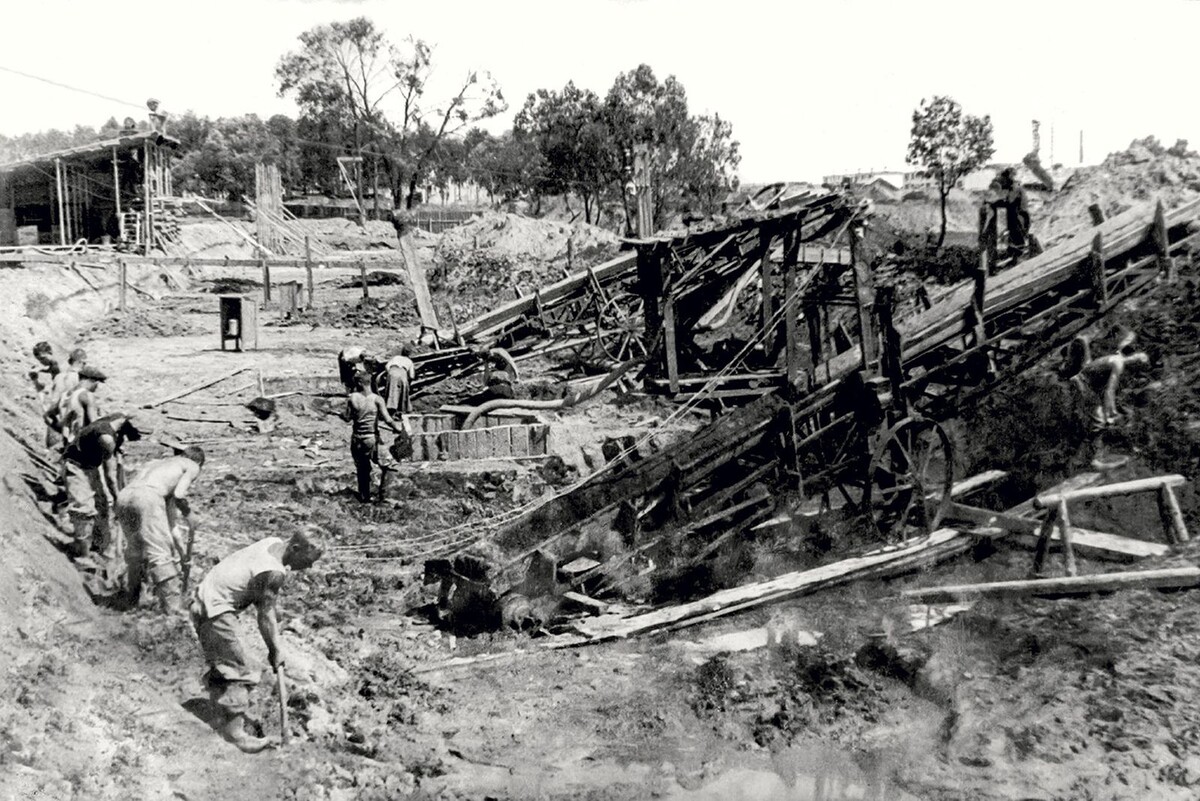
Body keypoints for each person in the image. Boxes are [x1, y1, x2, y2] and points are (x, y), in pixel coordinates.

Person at [188, 532, 323, 752]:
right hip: (215, 610)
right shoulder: (272, 571)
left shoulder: (274, 543)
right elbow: (265, 613)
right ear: (295, 548)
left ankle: (219, 715)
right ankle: (235, 735)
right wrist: (275, 650)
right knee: (243, 666)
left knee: (226, 661)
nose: (308, 568)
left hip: (204, 598)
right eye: (308, 561)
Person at [116, 446, 205, 612]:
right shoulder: (192, 466)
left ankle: (131, 600)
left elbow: (171, 527)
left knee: (135, 551)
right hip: (147, 497)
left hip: (124, 497)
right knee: (159, 555)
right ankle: (174, 611)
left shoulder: (160, 465)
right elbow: (179, 495)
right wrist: (189, 514)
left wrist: (183, 556)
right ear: (199, 462)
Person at [62, 412, 144, 558]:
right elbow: (110, 477)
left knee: (102, 507)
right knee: (83, 509)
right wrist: (119, 500)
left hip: (89, 466)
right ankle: (81, 554)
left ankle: (100, 547)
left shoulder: (115, 419)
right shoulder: (106, 439)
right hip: (76, 466)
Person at [344, 371, 405, 502]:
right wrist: (400, 429)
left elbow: (347, 418)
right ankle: (385, 496)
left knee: (362, 469)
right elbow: (388, 420)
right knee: (389, 465)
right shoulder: (377, 399)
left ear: (360, 383)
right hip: (371, 439)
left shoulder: (352, 398)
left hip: (356, 439)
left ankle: (364, 497)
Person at [60, 363, 104, 447]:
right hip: (81, 444)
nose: (97, 387)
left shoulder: (68, 394)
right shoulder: (87, 395)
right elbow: (94, 424)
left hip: (69, 441)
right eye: (97, 383)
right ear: (93, 381)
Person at [992, 167, 1031, 257]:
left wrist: (996, 203)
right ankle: (1018, 248)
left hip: (1018, 213)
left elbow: (1010, 201)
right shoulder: (1013, 186)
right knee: (1013, 228)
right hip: (1017, 212)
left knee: (1015, 228)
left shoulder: (1014, 187)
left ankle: (1020, 248)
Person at [28, 342, 61, 447]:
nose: (41, 362)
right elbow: (51, 369)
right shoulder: (53, 363)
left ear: (49, 353)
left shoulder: (57, 364)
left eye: (43, 359)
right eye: (39, 360)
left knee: (52, 419)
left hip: (64, 396)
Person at [383, 346, 416, 415]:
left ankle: (389, 409)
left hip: (392, 371)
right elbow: (412, 376)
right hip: (402, 373)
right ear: (409, 354)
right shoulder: (409, 361)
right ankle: (399, 410)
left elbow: (386, 366)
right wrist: (408, 381)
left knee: (391, 390)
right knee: (402, 391)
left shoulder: (396, 357)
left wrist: (390, 373)